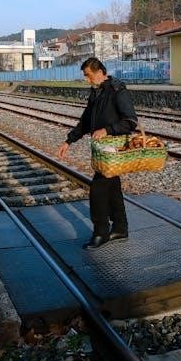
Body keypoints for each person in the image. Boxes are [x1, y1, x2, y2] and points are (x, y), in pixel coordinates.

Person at [57, 57, 138, 249]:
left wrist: (107, 130)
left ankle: (101, 233)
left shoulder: (118, 91)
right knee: (113, 189)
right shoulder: (96, 92)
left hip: (114, 151)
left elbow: (131, 122)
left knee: (98, 191)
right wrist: (69, 141)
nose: (87, 80)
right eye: (85, 76)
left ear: (100, 72)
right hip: (102, 152)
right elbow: (85, 122)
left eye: (88, 75)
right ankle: (120, 228)